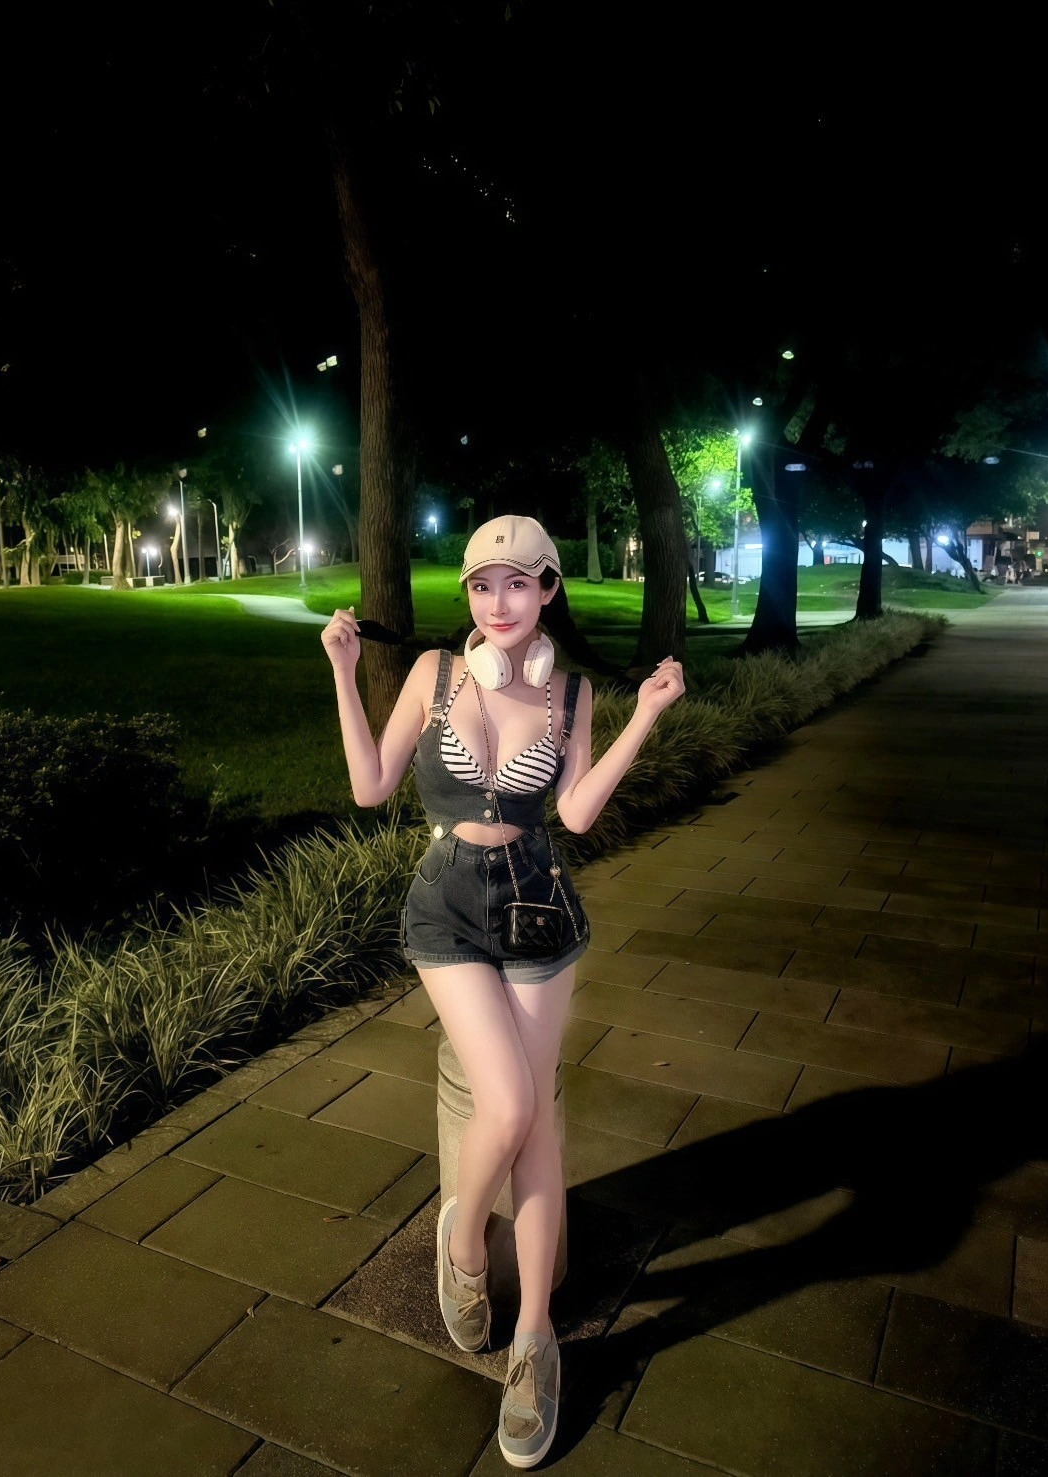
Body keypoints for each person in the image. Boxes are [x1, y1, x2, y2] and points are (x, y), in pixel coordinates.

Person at [321, 515, 685, 1468]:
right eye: (483, 585)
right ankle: (465, 1244)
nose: (499, 602)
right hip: (445, 906)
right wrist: (345, 673)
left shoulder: (571, 692)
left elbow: (576, 812)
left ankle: (533, 1338)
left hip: (538, 907)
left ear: (548, 589)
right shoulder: (435, 674)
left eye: (519, 583)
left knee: (538, 1126)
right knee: (512, 1102)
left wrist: (645, 715)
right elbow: (370, 785)